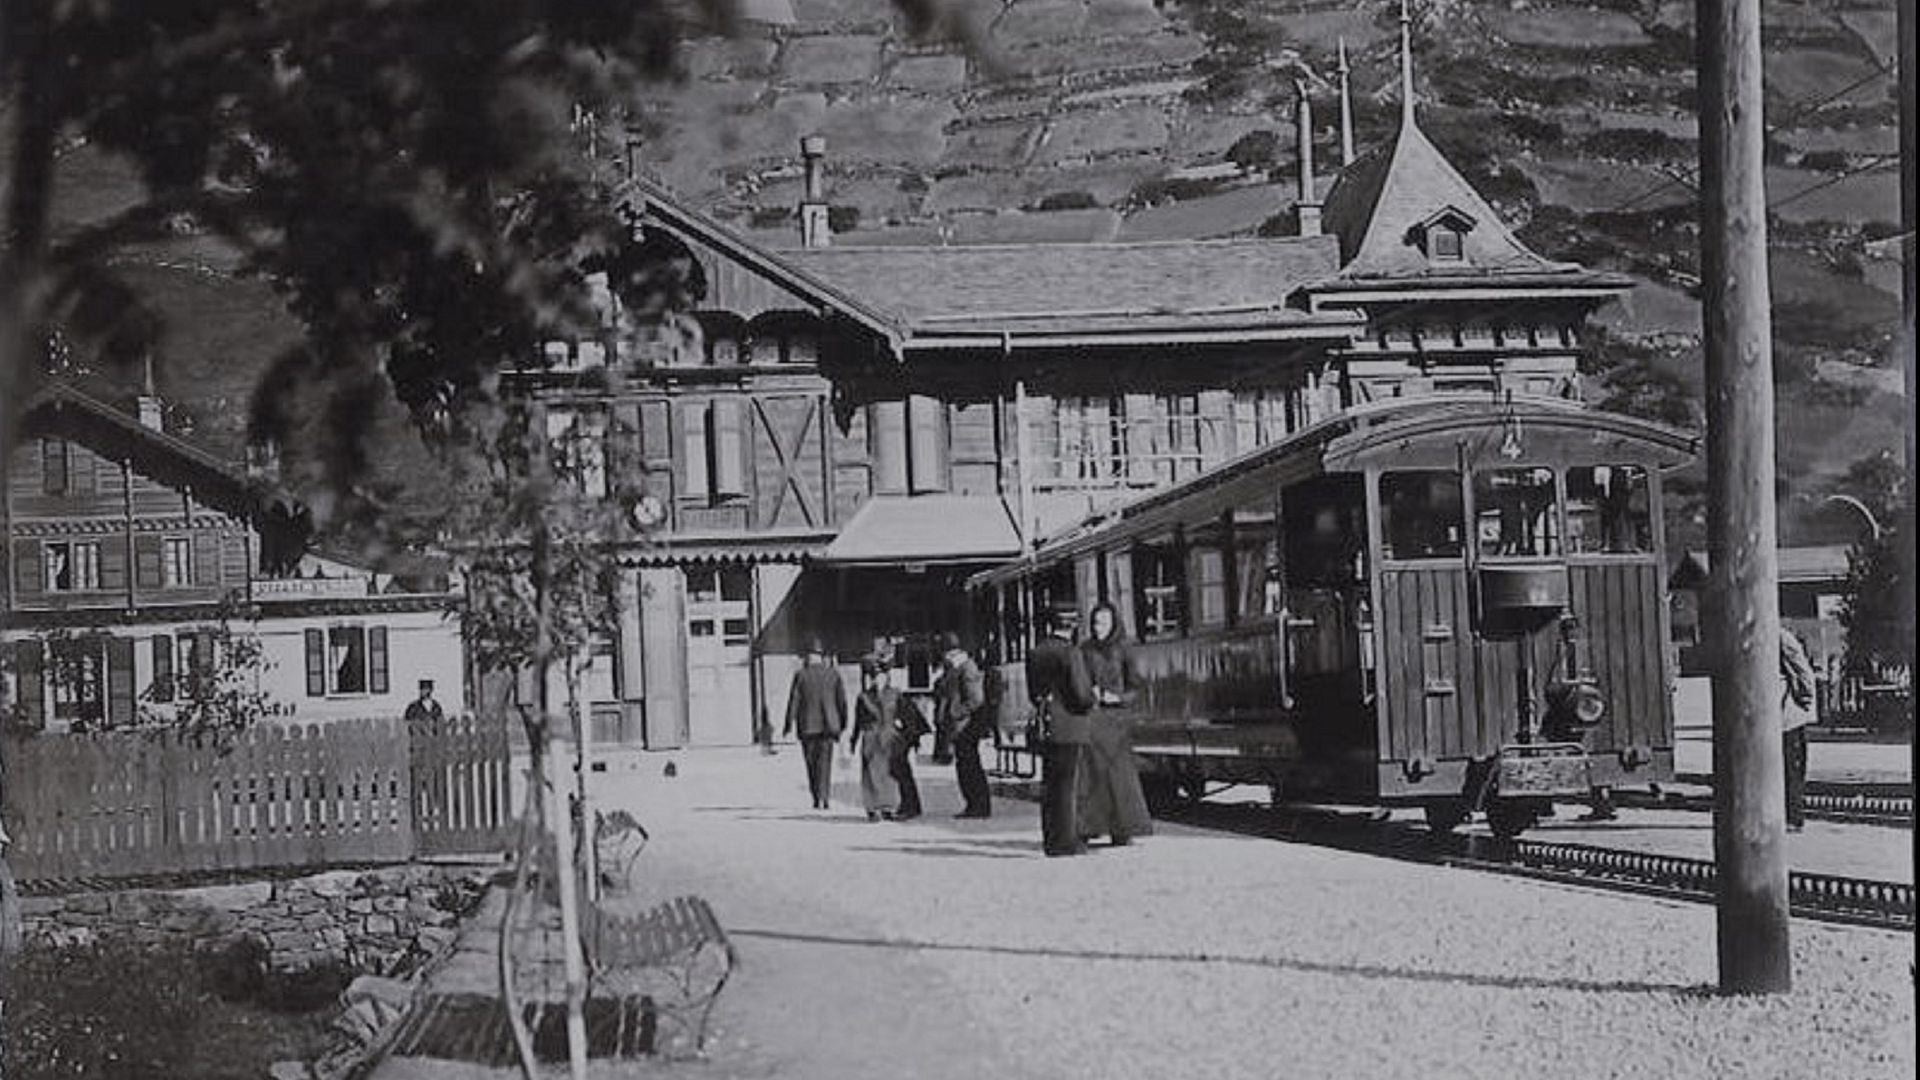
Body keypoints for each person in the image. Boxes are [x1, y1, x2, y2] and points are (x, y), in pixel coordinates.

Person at [1077, 602, 1153, 846]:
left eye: (1104, 623)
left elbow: (1137, 687)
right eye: (1096, 623)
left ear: (1114, 624)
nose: (1099, 628)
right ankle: (1090, 826)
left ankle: (1123, 828)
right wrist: (1089, 693)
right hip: (1093, 717)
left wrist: (1117, 697)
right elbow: (1078, 681)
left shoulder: (1124, 649)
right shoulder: (1085, 649)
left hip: (1117, 720)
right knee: (1092, 775)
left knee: (1119, 777)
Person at [1026, 605, 1095, 856]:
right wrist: (1091, 700)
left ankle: (1051, 840)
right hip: (1070, 725)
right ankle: (1067, 841)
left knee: (1050, 784)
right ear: (1072, 624)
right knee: (1068, 786)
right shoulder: (1070, 652)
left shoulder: (1036, 652)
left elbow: (1033, 693)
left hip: (1047, 723)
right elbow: (1080, 693)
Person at [850, 657, 918, 821]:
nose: (877, 680)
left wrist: (911, 737)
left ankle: (887, 806)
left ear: (887, 677)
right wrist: (853, 741)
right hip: (871, 737)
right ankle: (872, 807)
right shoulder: (863, 697)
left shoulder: (895, 694)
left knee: (888, 774)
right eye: (874, 676)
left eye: (881, 676)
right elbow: (858, 722)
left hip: (890, 736)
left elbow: (907, 716)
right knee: (871, 774)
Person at [783, 640, 847, 810]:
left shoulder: (801, 675)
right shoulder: (833, 674)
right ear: (821, 656)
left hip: (808, 726)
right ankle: (824, 797)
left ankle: (816, 797)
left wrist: (788, 724)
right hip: (829, 726)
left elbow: (794, 701)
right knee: (825, 763)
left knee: (811, 763)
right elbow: (842, 701)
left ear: (808, 656)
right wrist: (843, 723)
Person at [936, 632, 991, 819]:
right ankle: (973, 804)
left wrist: (955, 712)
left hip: (965, 727)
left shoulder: (967, 668)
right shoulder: (955, 668)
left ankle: (978, 805)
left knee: (970, 766)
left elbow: (975, 699)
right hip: (959, 727)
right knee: (964, 765)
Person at [1780, 626, 1817, 832]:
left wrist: (1804, 700)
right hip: (1779, 716)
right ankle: (1789, 816)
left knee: (1791, 769)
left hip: (1788, 715)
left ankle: (1794, 818)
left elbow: (1803, 672)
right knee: (1786, 769)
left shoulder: (1782, 637)